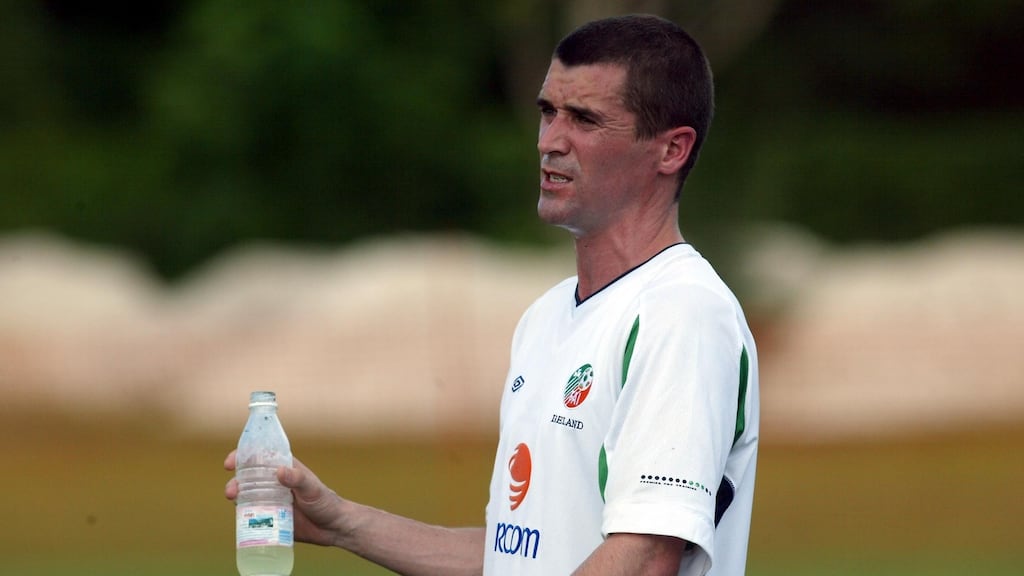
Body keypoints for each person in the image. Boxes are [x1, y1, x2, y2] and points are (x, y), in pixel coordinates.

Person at [225, 13, 759, 576]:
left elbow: (646, 556)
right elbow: (513, 556)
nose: (550, 142)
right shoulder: (545, 317)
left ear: (671, 150)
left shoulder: (681, 312)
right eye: (548, 112)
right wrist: (340, 522)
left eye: (584, 119)